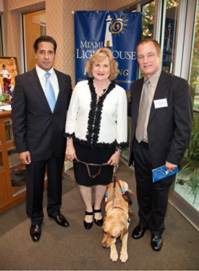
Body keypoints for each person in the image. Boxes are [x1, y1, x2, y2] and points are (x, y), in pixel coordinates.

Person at [128, 39, 193, 251]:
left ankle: (156, 230)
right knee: (144, 191)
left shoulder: (177, 85)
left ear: (159, 56)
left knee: (160, 194)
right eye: (140, 56)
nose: (145, 60)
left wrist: (174, 158)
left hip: (164, 156)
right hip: (140, 150)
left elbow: (184, 127)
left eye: (149, 55)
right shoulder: (137, 86)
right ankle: (143, 222)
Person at [12, 35, 72, 242]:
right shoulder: (22, 81)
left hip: (57, 142)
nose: (46, 56)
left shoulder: (65, 80)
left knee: (56, 181)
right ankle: (36, 219)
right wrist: (21, 148)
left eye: (50, 52)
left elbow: (70, 111)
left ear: (55, 54)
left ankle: (54, 211)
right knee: (35, 184)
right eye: (42, 52)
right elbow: (17, 117)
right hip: (34, 145)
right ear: (35, 54)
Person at [65, 47, 128, 230]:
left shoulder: (120, 93)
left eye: (105, 65)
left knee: (102, 181)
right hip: (81, 145)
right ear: (91, 67)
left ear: (112, 69)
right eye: (97, 64)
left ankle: (97, 207)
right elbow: (71, 116)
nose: (101, 69)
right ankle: (88, 209)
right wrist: (69, 144)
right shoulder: (80, 87)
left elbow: (122, 123)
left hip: (106, 148)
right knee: (83, 180)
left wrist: (118, 152)